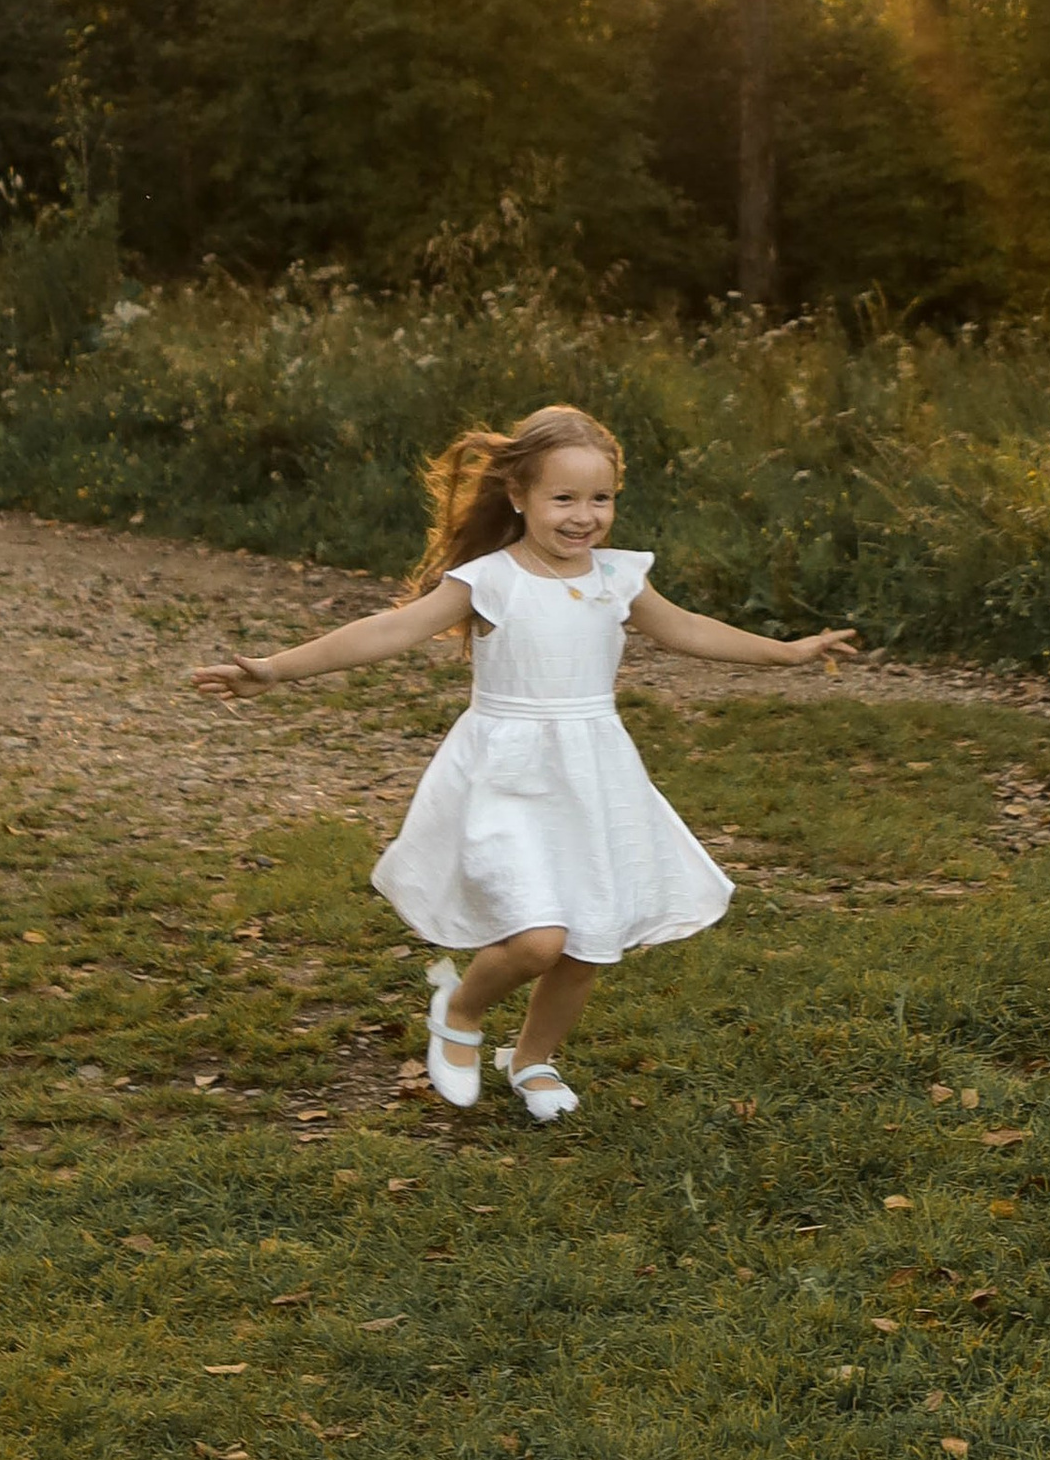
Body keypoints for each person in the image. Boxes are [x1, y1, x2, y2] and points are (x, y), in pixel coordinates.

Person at [194, 403, 854, 1123]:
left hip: (594, 772)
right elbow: (390, 629)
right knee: (539, 938)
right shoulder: (490, 580)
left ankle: (535, 1059)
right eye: (563, 498)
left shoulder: (618, 579)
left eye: (599, 499)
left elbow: (690, 631)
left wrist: (787, 651)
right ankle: (464, 1008)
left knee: (589, 942)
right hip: (507, 773)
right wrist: (276, 670)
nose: (584, 516)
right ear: (519, 497)